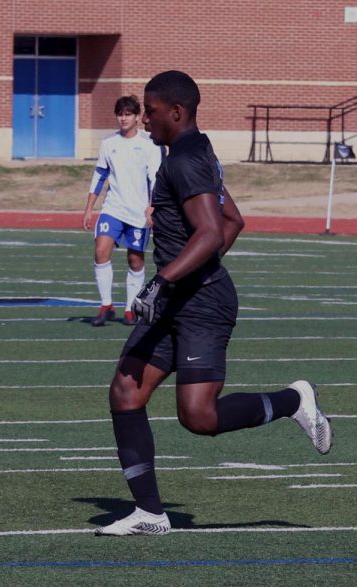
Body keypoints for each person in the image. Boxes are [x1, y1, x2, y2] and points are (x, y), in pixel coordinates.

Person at [96, 71, 333, 536]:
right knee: (126, 391)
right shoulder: (193, 152)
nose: (146, 119)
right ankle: (150, 513)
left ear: (177, 112)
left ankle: (293, 401)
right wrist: (184, 276)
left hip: (201, 304)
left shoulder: (185, 161)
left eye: (153, 110)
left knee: (199, 417)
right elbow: (233, 221)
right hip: (180, 297)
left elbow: (210, 231)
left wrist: (164, 280)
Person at [84, 95, 164, 327]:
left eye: (128, 114)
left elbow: (156, 179)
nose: (123, 118)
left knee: (135, 260)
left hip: (138, 213)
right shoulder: (109, 143)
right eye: (120, 114)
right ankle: (106, 305)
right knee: (100, 251)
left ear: (138, 117)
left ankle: (130, 309)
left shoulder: (149, 143)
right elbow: (100, 175)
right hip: (113, 208)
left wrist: (152, 207)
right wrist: (89, 208)